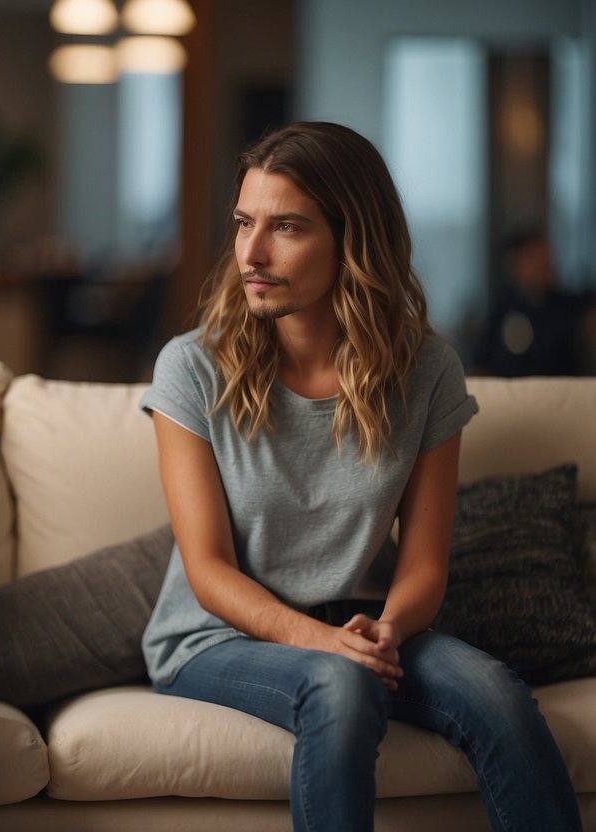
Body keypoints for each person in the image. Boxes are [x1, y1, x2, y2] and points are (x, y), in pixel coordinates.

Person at [139, 122, 581, 831]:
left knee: (494, 695)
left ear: (354, 239)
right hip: (216, 637)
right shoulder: (190, 367)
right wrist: (323, 644)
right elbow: (207, 571)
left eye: (286, 227)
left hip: (365, 623)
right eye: (243, 223)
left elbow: (424, 566)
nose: (250, 253)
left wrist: (382, 631)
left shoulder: (427, 370)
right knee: (338, 687)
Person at [471, 227, 589, 376]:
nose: (542, 265)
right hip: (512, 395)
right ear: (514, 264)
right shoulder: (502, 308)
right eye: (532, 258)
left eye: (545, 257)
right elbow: (481, 364)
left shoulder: (570, 306)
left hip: (561, 393)